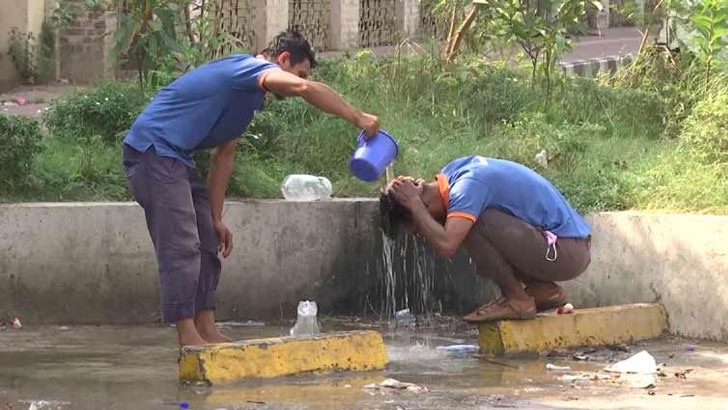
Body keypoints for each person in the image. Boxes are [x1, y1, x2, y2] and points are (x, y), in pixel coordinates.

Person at [122, 30, 380, 347]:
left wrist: (216, 218)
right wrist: (357, 117)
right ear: (282, 59)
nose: (299, 80)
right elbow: (302, 87)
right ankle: (188, 336)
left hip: (176, 158)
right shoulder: (249, 69)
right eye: (298, 70)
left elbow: (224, 156)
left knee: (206, 242)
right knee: (182, 245)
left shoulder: (247, 99)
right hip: (152, 152)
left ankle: (206, 327)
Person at [382, 155, 591, 322]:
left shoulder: (466, 188)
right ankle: (543, 290)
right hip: (565, 246)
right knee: (468, 224)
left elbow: (446, 245)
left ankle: (517, 300)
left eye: (420, 229)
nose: (424, 236)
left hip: (567, 251)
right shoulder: (452, 174)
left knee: (472, 225)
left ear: (424, 207)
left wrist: (414, 204)